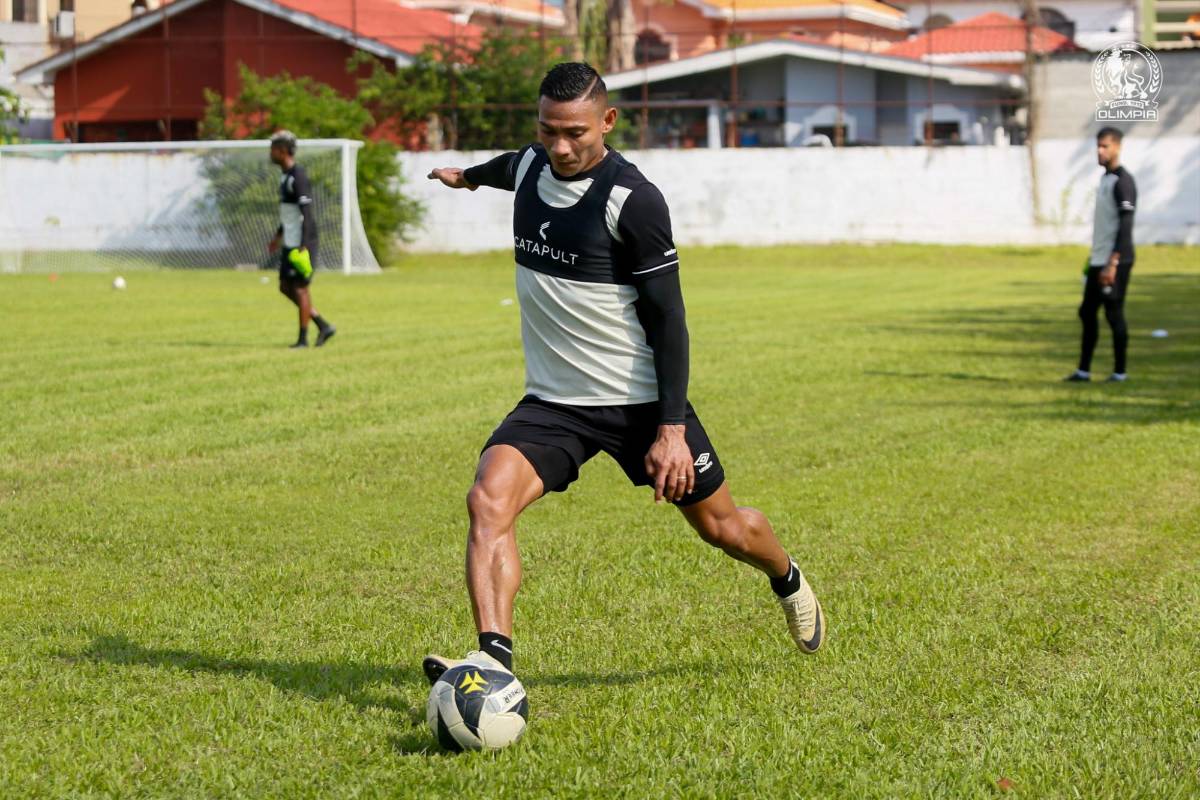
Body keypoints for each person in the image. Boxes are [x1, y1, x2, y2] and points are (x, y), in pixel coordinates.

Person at [422, 63, 824, 687]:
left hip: (639, 404)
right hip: (554, 403)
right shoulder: (530, 165)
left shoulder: (632, 201)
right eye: (548, 130)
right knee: (488, 500)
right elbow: (508, 166)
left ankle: (787, 577)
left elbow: (669, 320)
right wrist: (466, 177)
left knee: (726, 529)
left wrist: (671, 430)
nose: (560, 147)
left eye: (575, 133)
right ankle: (494, 663)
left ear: (607, 121)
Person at [1064, 127, 1137, 383]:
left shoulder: (1123, 182)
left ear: (1118, 147)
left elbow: (1126, 223)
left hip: (1115, 260)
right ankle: (1083, 371)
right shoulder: (1105, 180)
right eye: (1098, 146)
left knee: (1113, 314)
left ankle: (1120, 373)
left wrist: (1113, 262)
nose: (1100, 151)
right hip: (1098, 259)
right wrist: (1094, 258)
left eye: (1105, 146)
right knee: (1086, 312)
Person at [267, 131, 336, 349]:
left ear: (283, 151)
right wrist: (278, 236)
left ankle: (303, 340)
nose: (270, 153)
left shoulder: (298, 175)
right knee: (284, 287)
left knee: (300, 289)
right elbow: (289, 214)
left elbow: (307, 212)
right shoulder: (284, 176)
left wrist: (305, 244)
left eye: (273, 149)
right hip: (289, 240)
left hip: (302, 242)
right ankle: (322, 324)